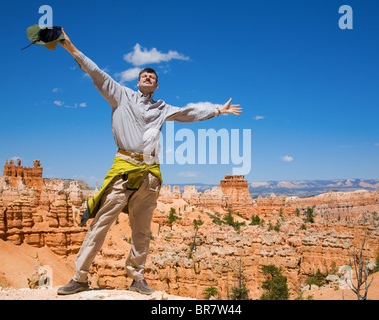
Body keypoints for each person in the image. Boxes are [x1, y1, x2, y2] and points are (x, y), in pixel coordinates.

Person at [56, 29, 242, 295]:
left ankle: (137, 278)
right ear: (137, 81)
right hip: (123, 171)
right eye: (144, 75)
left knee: (142, 231)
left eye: (152, 77)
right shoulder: (120, 95)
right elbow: (95, 72)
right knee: (100, 224)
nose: (147, 77)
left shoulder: (162, 108)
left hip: (149, 176)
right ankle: (80, 277)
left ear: (156, 86)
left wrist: (217, 110)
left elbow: (188, 113)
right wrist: (69, 46)